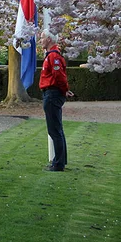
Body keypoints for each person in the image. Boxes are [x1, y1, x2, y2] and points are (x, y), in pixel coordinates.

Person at [39, 32, 74, 171]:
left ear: (48, 39)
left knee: (54, 130)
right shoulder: (53, 55)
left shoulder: (53, 56)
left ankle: (58, 164)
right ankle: (60, 161)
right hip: (53, 93)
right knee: (57, 129)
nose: (40, 40)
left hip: (52, 94)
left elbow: (58, 76)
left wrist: (64, 89)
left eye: (42, 38)